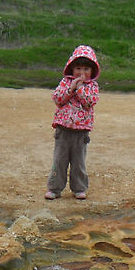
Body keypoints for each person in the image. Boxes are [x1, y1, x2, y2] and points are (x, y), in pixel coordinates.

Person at [45, 45, 100, 200]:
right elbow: (57, 99)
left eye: (86, 69)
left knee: (79, 162)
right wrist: (71, 89)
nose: (81, 73)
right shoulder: (65, 82)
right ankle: (55, 188)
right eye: (78, 68)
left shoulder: (92, 86)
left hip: (81, 131)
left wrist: (80, 89)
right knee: (59, 161)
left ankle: (79, 188)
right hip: (63, 129)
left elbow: (89, 102)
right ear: (71, 68)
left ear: (92, 71)